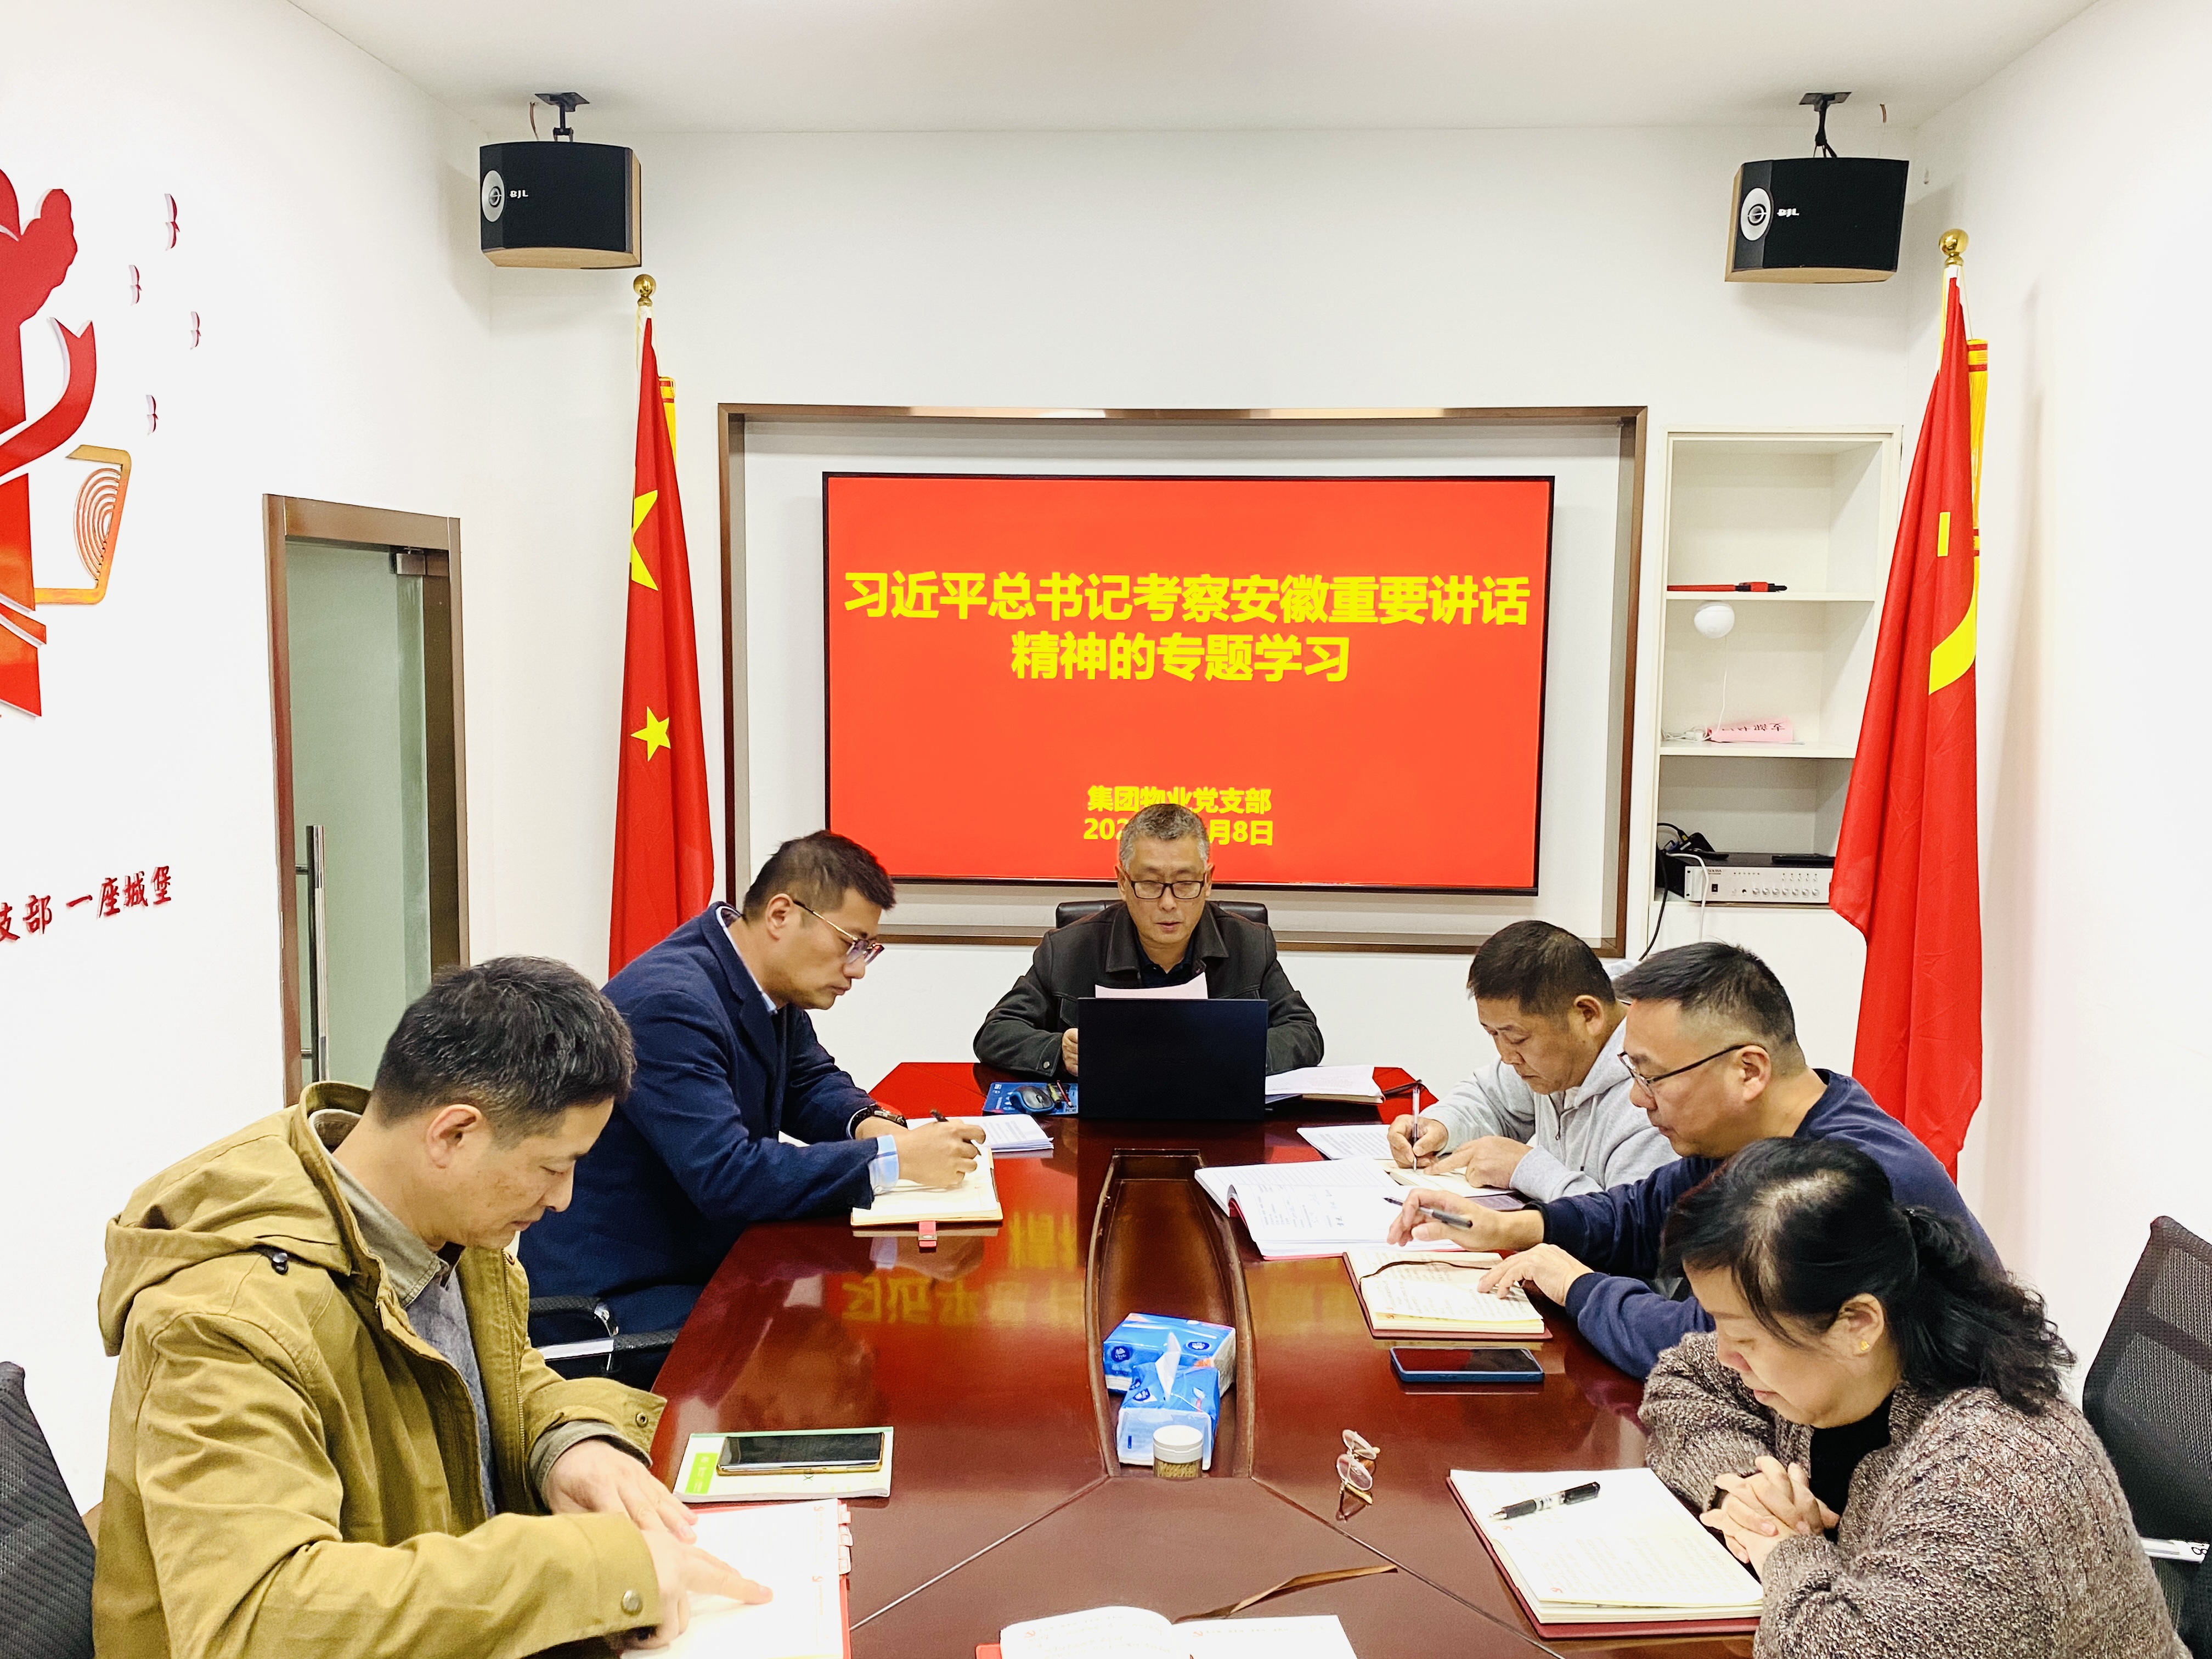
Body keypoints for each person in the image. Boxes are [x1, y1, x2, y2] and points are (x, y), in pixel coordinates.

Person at [95, 958, 768, 1657]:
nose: (563, 1198)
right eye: (552, 1167)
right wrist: (587, 1571)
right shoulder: (224, 1320)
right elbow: (257, 1621)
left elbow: (502, 1375)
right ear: (453, 1134)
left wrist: (568, 1443)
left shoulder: (440, 1217)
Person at [1642, 1139, 2184, 1658]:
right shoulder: (1846, 1362)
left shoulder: (1986, 1478)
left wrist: (1783, 1546)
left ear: (1858, 1323)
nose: (1727, 1354)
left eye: (1744, 1336)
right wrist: (1747, 1490)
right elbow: (1683, 1380)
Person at [1386, 940, 1993, 1376]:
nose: (1635, 1097)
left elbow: (1718, 1346)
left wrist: (1577, 1286)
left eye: (1652, 1076)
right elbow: (1641, 1215)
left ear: (1748, 1070)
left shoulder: (1838, 1183)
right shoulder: (1754, 1133)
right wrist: (1510, 1228)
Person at [521, 832, 984, 1336]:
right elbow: (728, 1176)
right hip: (624, 1296)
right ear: (781, 915)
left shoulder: (758, 978)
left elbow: (809, 1081)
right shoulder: (671, 1005)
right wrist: (892, 1160)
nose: (857, 969)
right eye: (848, 943)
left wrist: (874, 1127)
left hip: (701, 1257)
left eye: (867, 949)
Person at [973, 801, 1323, 1077]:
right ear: (1123, 882)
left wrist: (1239, 1052)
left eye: (1185, 883)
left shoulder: (1250, 944)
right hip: (1103, 1125)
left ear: (1208, 882)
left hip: (1217, 1120)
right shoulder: (1067, 949)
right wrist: (1059, 1052)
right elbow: (996, 1033)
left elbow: (1304, 1033)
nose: (1168, 903)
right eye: (1151, 884)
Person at [1387, 919, 1674, 1200]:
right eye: (1493, 1034)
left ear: (1587, 1015)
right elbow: (1492, 1099)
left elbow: (1629, 1223)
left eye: (1517, 1038)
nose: (1506, 1056)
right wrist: (1440, 1126)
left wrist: (1527, 1169)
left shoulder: (1654, 1100)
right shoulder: (1556, 1052)